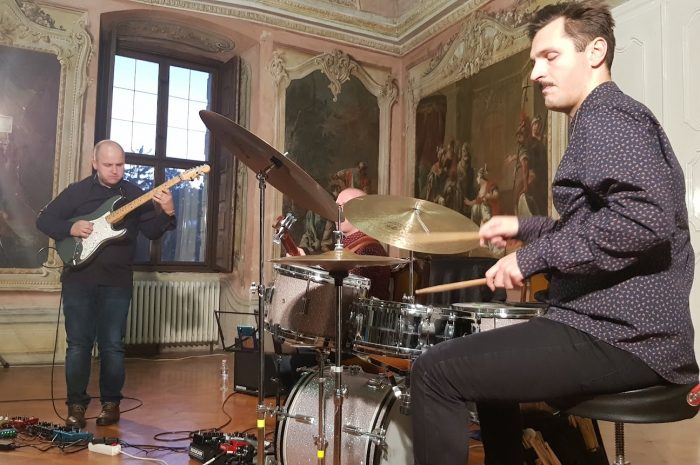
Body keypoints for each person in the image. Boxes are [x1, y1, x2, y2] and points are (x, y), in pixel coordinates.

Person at [411, 2, 698, 465]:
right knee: (482, 373)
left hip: (625, 336)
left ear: (595, 52)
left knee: (433, 371)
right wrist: (523, 227)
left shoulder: (608, 116)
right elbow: (593, 226)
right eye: (534, 60)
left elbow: (643, 219)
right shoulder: (602, 119)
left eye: (550, 56)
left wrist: (529, 259)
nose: (536, 73)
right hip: (615, 329)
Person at [36, 140, 176, 428]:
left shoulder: (135, 194)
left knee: (112, 345)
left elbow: (151, 232)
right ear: (95, 164)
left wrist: (168, 212)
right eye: (108, 164)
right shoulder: (77, 192)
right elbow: (44, 219)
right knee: (78, 345)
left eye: (120, 164)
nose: (115, 170)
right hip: (79, 279)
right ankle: (76, 407)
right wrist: (70, 227)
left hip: (117, 281)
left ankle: (111, 405)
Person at [336, 187, 391, 300]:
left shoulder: (369, 250)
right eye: (336, 206)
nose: (337, 212)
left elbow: (347, 292)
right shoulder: (347, 244)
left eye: (343, 206)